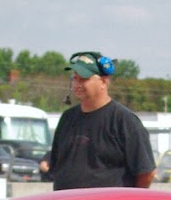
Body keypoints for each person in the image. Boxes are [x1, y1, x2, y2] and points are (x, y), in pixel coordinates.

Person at [40, 50, 155, 189]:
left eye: (83, 78)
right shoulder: (67, 118)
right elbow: (58, 166)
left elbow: (146, 173)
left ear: (103, 82)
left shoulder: (124, 121)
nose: (77, 84)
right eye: (74, 78)